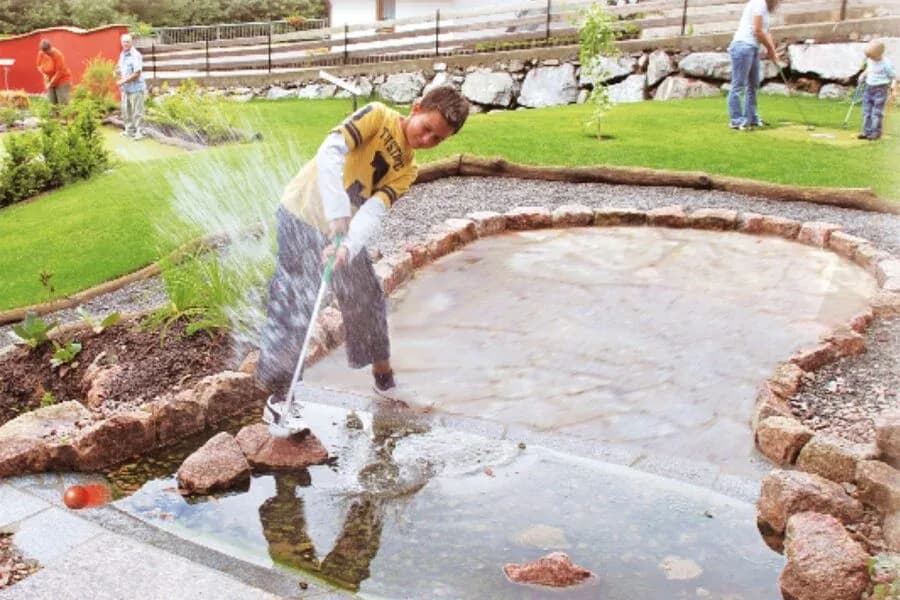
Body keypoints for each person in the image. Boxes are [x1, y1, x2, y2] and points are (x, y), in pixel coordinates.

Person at [258, 86, 470, 436]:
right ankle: (278, 399)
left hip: (340, 235)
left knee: (366, 297)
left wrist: (348, 245)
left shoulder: (409, 170)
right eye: (426, 128)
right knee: (297, 303)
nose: (428, 139)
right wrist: (338, 212)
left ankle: (384, 384)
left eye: (438, 139)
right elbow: (330, 151)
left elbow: (372, 211)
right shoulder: (377, 115)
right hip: (302, 215)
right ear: (415, 107)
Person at [727, 0, 780, 130]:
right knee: (738, 84)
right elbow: (757, 31)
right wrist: (770, 49)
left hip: (753, 47)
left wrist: (773, 52)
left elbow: (766, 32)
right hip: (743, 46)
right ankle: (736, 120)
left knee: (753, 84)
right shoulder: (759, 3)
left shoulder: (766, 9)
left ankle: (751, 117)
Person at [858, 39, 896, 141]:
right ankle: (867, 131)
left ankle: (876, 132)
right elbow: (869, 69)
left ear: (879, 54)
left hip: (880, 89)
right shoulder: (871, 60)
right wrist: (863, 75)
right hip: (869, 87)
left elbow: (893, 76)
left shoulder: (886, 64)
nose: (870, 59)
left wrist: (893, 86)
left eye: (872, 57)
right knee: (866, 111)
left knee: (876, 112)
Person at [116, 33, 146, 140]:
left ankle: (140, 132)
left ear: (131, 42)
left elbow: (137, 73)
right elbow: (120, 68)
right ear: (121, 43)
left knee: (137, 112)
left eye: (127, 42)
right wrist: (117, 72)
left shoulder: (135, 55)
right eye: (123, 42)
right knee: (126, 111)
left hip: (136, 88)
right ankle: (129, 131)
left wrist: (123, 81)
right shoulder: (122, 54)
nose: (125, 44)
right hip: (126, 88)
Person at [35, 40, 71, 109]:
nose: (47, 54)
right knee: (52, 103)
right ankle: (54, 119)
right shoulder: (41, 53)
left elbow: (59, 72)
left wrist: (50, 83)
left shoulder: (58, 55)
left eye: (48, 52)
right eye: (44, 52)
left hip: (62, 80)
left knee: (63, 103)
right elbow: (38, 66)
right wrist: (44, 75)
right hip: (49, 79)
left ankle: (65, 119)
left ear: (50, 47)